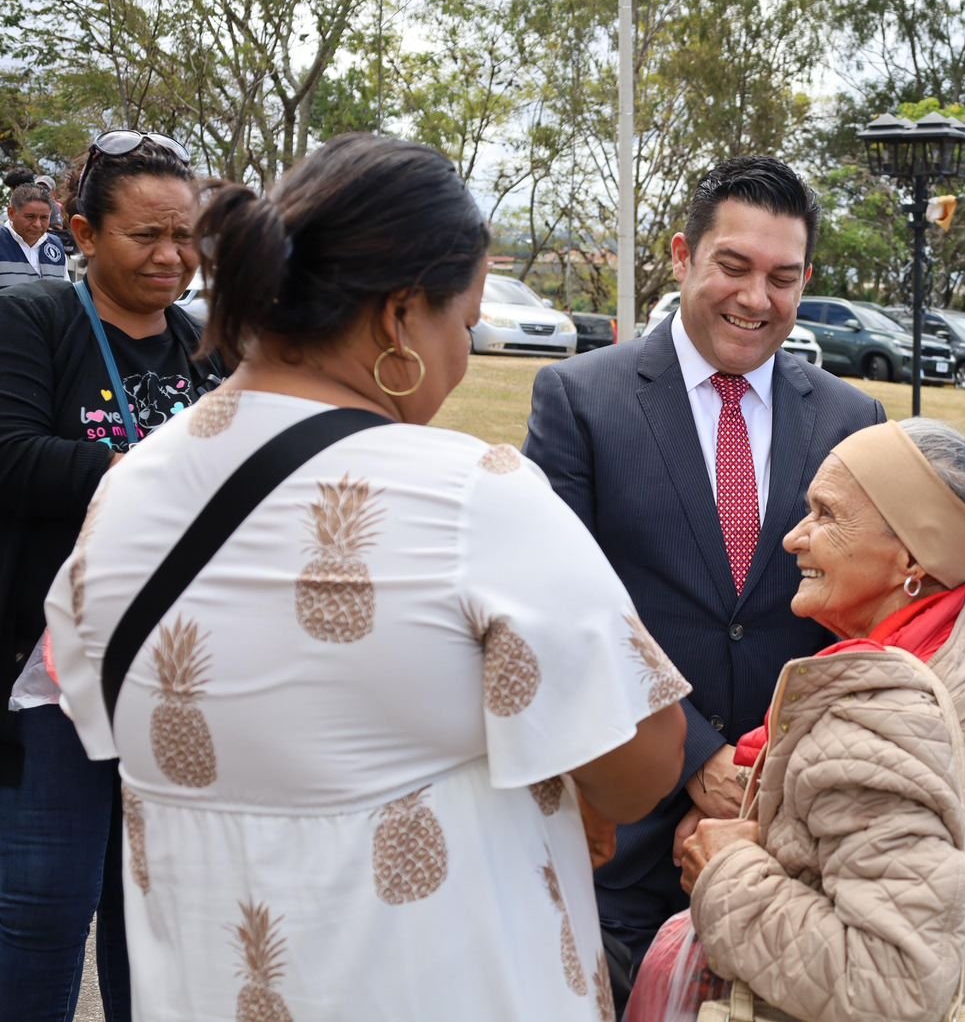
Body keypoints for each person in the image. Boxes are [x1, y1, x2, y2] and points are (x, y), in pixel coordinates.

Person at [43, 132, 688, 1021]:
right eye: (462, 326)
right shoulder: (471, 497)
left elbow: (110, 719)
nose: (463, 360)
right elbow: (642, 766)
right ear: (399, 319)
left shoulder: (121, 499)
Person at [523, 155, 885, 977]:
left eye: (783, 277)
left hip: (785, 829)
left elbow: (864, 625)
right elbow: (561, 614)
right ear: (684, 256)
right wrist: (694, 760)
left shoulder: (850, 418)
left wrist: (758, 780)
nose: (757, 299)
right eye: (734, 266)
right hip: (620, 822)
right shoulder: (580, 400)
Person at [680, 419, 965, 1022]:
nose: (794, 538)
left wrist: (728, 873)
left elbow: (892, 985)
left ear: (911, 556)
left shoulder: (876, 725)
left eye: (826, 515)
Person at [0, 131, 227, 1022]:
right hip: (50, 676)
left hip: (178, 681)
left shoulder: (207, 344)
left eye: (186, 236)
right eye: (147, 236)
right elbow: (13, 455)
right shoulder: (32, 321)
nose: (173, 256)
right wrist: (166, 473)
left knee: (158, 921)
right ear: (85, 235)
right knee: (40, 915)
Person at [0, 183, 69, 289]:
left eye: (44, 218)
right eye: (30, 217)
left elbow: (65, 295)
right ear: (11, 213)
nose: (37, 224)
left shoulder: (56, 248)